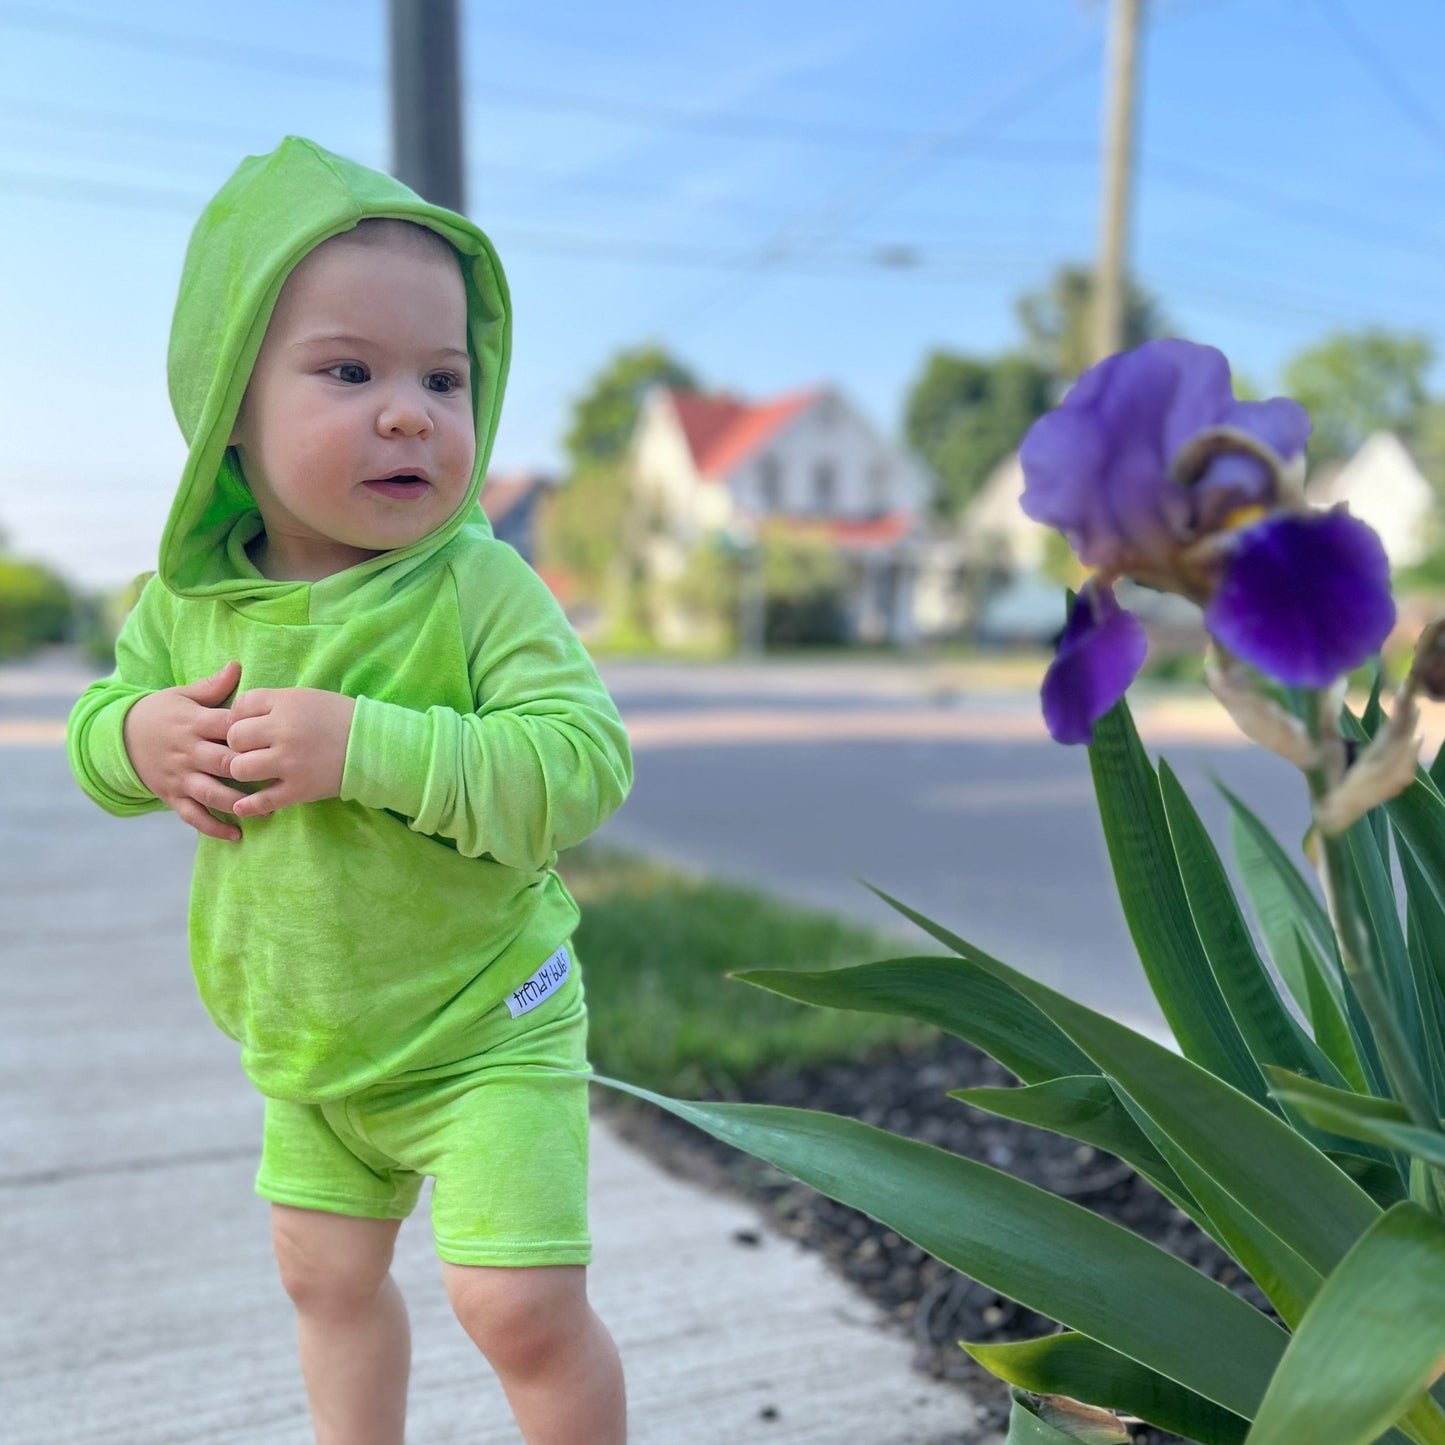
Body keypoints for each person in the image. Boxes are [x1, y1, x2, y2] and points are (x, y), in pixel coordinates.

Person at [66, 135, 632, 1445]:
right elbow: (98, 732)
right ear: (228, 407)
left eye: (445, 375)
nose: (408, 411)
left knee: (518, 1304)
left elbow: (580, 762)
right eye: (348, 370)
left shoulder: (474, 586)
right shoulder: (191, 603)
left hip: (486, 1019)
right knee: (321, 1278)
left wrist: (363, 742)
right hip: (310, 1040)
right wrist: (139, 736)